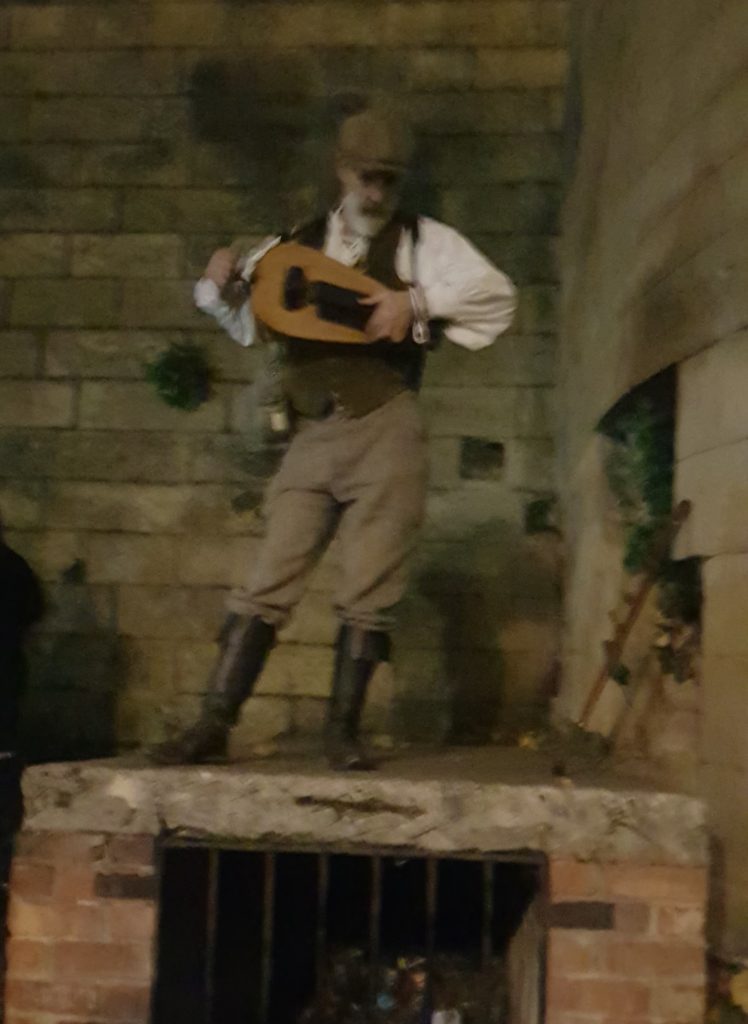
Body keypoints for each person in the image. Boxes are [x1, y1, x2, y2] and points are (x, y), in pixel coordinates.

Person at [153, 105, 516, 770]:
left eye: (388, 180)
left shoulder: (423, 243)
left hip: (388, 425)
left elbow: (497, 300)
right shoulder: (293, 243)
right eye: (365, 178)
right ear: (340, 172)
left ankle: (341, 734)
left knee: (369, 586)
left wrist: (420, 303)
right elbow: (249, 322)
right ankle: (211, 723)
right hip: (313, 432)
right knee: (268, 577)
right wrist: (214, 288)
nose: (376, 192)